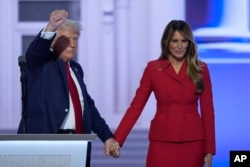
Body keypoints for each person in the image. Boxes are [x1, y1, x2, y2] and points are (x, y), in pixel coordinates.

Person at [17, 9, 120, 166]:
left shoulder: (76, 69)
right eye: (66, 39)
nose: (72, 44)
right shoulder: (41, 64)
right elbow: (35, 51)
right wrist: (51, 27)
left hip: (78, 144)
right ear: (53, 41)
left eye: (75, 39)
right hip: (47, 143)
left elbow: (88, 108)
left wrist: (107, 136)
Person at [114, 20, 216, 167]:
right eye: (175, 41)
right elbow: (136, 107)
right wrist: (118, 139)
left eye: (184, 41)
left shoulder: (200, 69)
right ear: (166, 42)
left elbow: (208, 112)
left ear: (189, 43)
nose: (180, 46)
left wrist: (209, 149)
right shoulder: (153, 69)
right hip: (161, 140)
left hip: (192, 142)